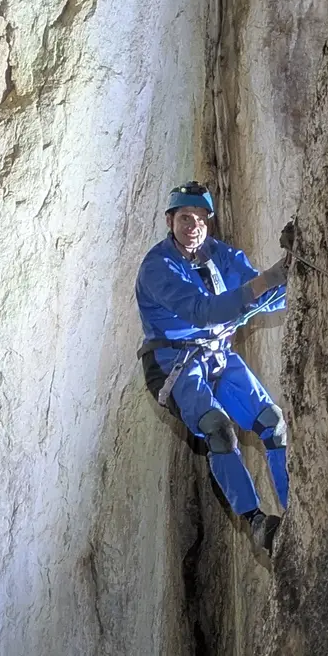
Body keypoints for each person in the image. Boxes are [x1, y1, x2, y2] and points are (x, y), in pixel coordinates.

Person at [135, 182, 292, 553]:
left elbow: (261, 297)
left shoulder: (219, 254)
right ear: (170, 221)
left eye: (201, 219)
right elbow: (203, 312)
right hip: (173, 363)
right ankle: (256, 522)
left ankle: (295, 508)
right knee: (217, 429)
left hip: (217, 353)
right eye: (185, 218)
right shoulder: (157, 268)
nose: (194, 226)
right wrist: (270, 278)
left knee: (272, 422)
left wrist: (294, 274)